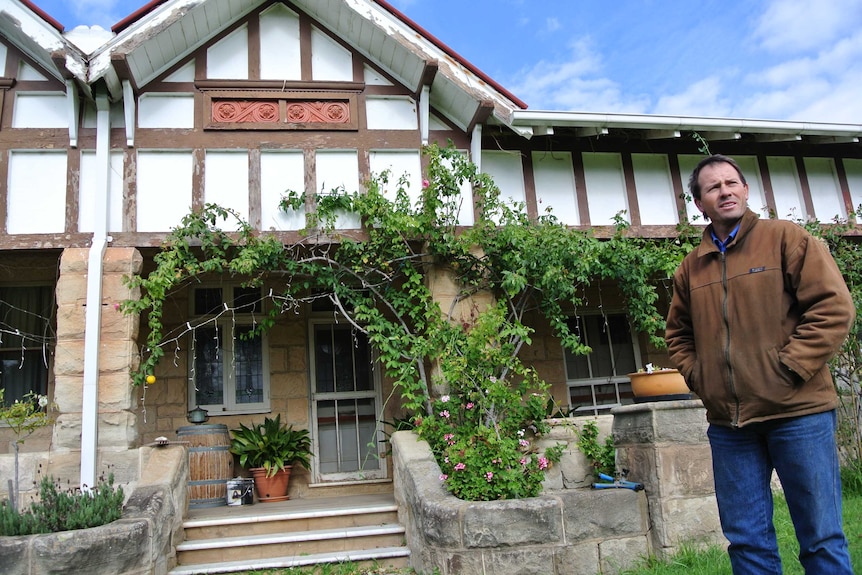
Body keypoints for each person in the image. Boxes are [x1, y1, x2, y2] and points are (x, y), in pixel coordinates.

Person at [665, 154, 855, 574]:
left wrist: (787, 368)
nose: (725, 191)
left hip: (798, 413)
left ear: (746, 191)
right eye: (713, 187)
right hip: (731, 428)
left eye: (732, 183)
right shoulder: (690, 268)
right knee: (747, 541)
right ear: (699, 203)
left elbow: (833, 308)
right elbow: (677, 335)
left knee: (820, 537)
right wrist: (703, 378)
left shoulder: (786, 238)